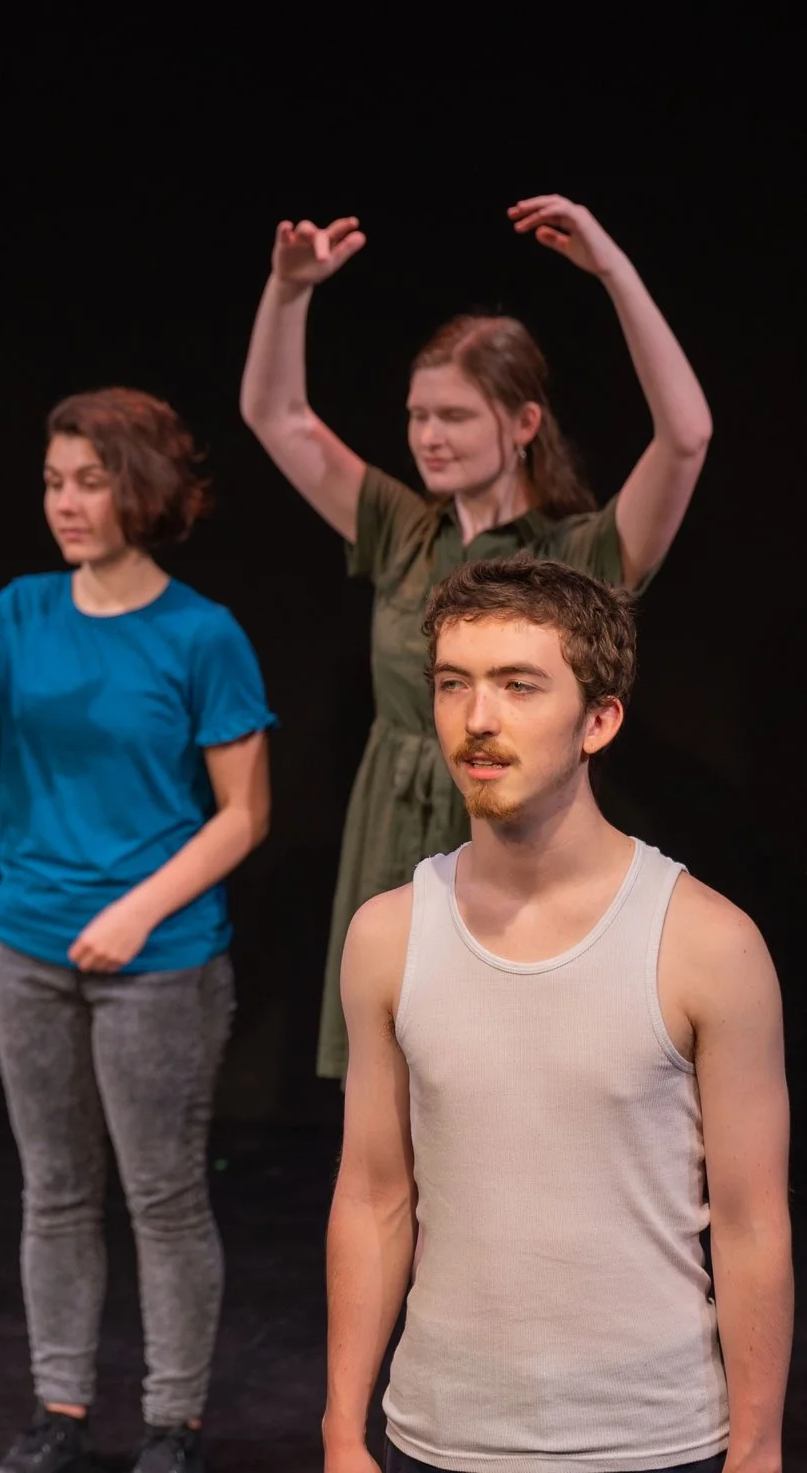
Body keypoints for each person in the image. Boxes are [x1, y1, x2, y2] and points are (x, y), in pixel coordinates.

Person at [0, 389, 273, 1473]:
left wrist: (137, 911)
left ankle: (170, 1422)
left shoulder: (200, 633)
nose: (66, 502)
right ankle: (60, 1408)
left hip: (160, 959)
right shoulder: (23, 612)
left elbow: (244, 812)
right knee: (53, 1187)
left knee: (163, 1191)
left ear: (143, 486)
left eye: (89, 479)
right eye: (53, 481)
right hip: (29, 946)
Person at [325, 558, 788, 1472]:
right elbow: (373, 1196)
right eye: (455, 684)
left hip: (653, 1440)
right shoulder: (387, 936)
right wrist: (343, 1429)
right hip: (440, 1435)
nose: (478, 719)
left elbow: (752, 1224)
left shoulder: (707, 943)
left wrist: (760, 1448)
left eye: (519, 685)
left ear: (599, 720)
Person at [238, 196, 712, 1079]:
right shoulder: (402, 526)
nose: (428, 437)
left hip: (515, 828)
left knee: (503, 1073)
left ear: (524, 423)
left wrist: (614, 270)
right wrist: (287, 291)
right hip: (392, 823)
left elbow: (686, 437)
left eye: (454, 416)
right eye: (419, 416)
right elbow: (278, 416)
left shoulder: (581, 551)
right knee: (389, 1091)